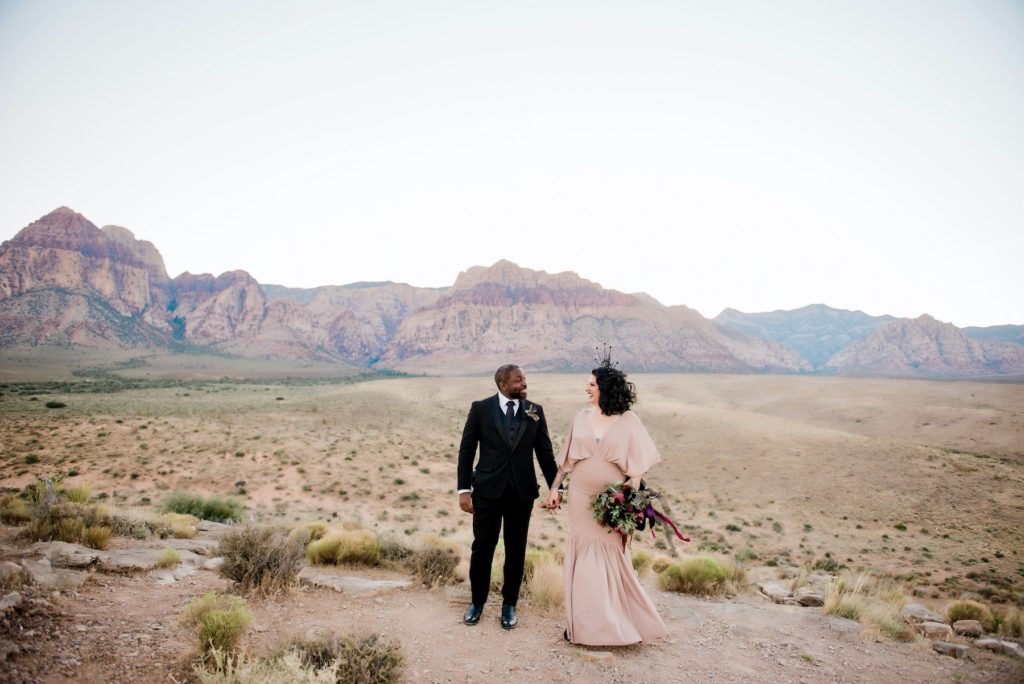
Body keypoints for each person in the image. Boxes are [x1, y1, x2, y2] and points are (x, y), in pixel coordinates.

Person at [543, 354, 669, 645]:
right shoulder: (581, 417)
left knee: (610, 558)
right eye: (586, 383)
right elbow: (566, 462)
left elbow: (635, 471)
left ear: (605, 388)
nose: (586, 388)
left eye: (591, 384)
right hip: (579, 499)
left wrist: (623, 501)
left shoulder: (629, 421)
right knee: (583, 557)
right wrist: (554, 489)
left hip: (611, 503)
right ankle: (583, 626)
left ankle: (616, 623)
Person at [457, 364, 562, 630]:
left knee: (516, 549)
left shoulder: (534, 411)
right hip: (487, 491)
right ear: (503, 384)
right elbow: (466, 450)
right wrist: (463, 489)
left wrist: (556, 487)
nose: (524, 382)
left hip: (521, 493)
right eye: (519, 380)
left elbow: (545, 454)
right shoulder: (481, 409)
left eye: (524, 378)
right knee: (482, 548)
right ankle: (477, 602)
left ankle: (509, 605)